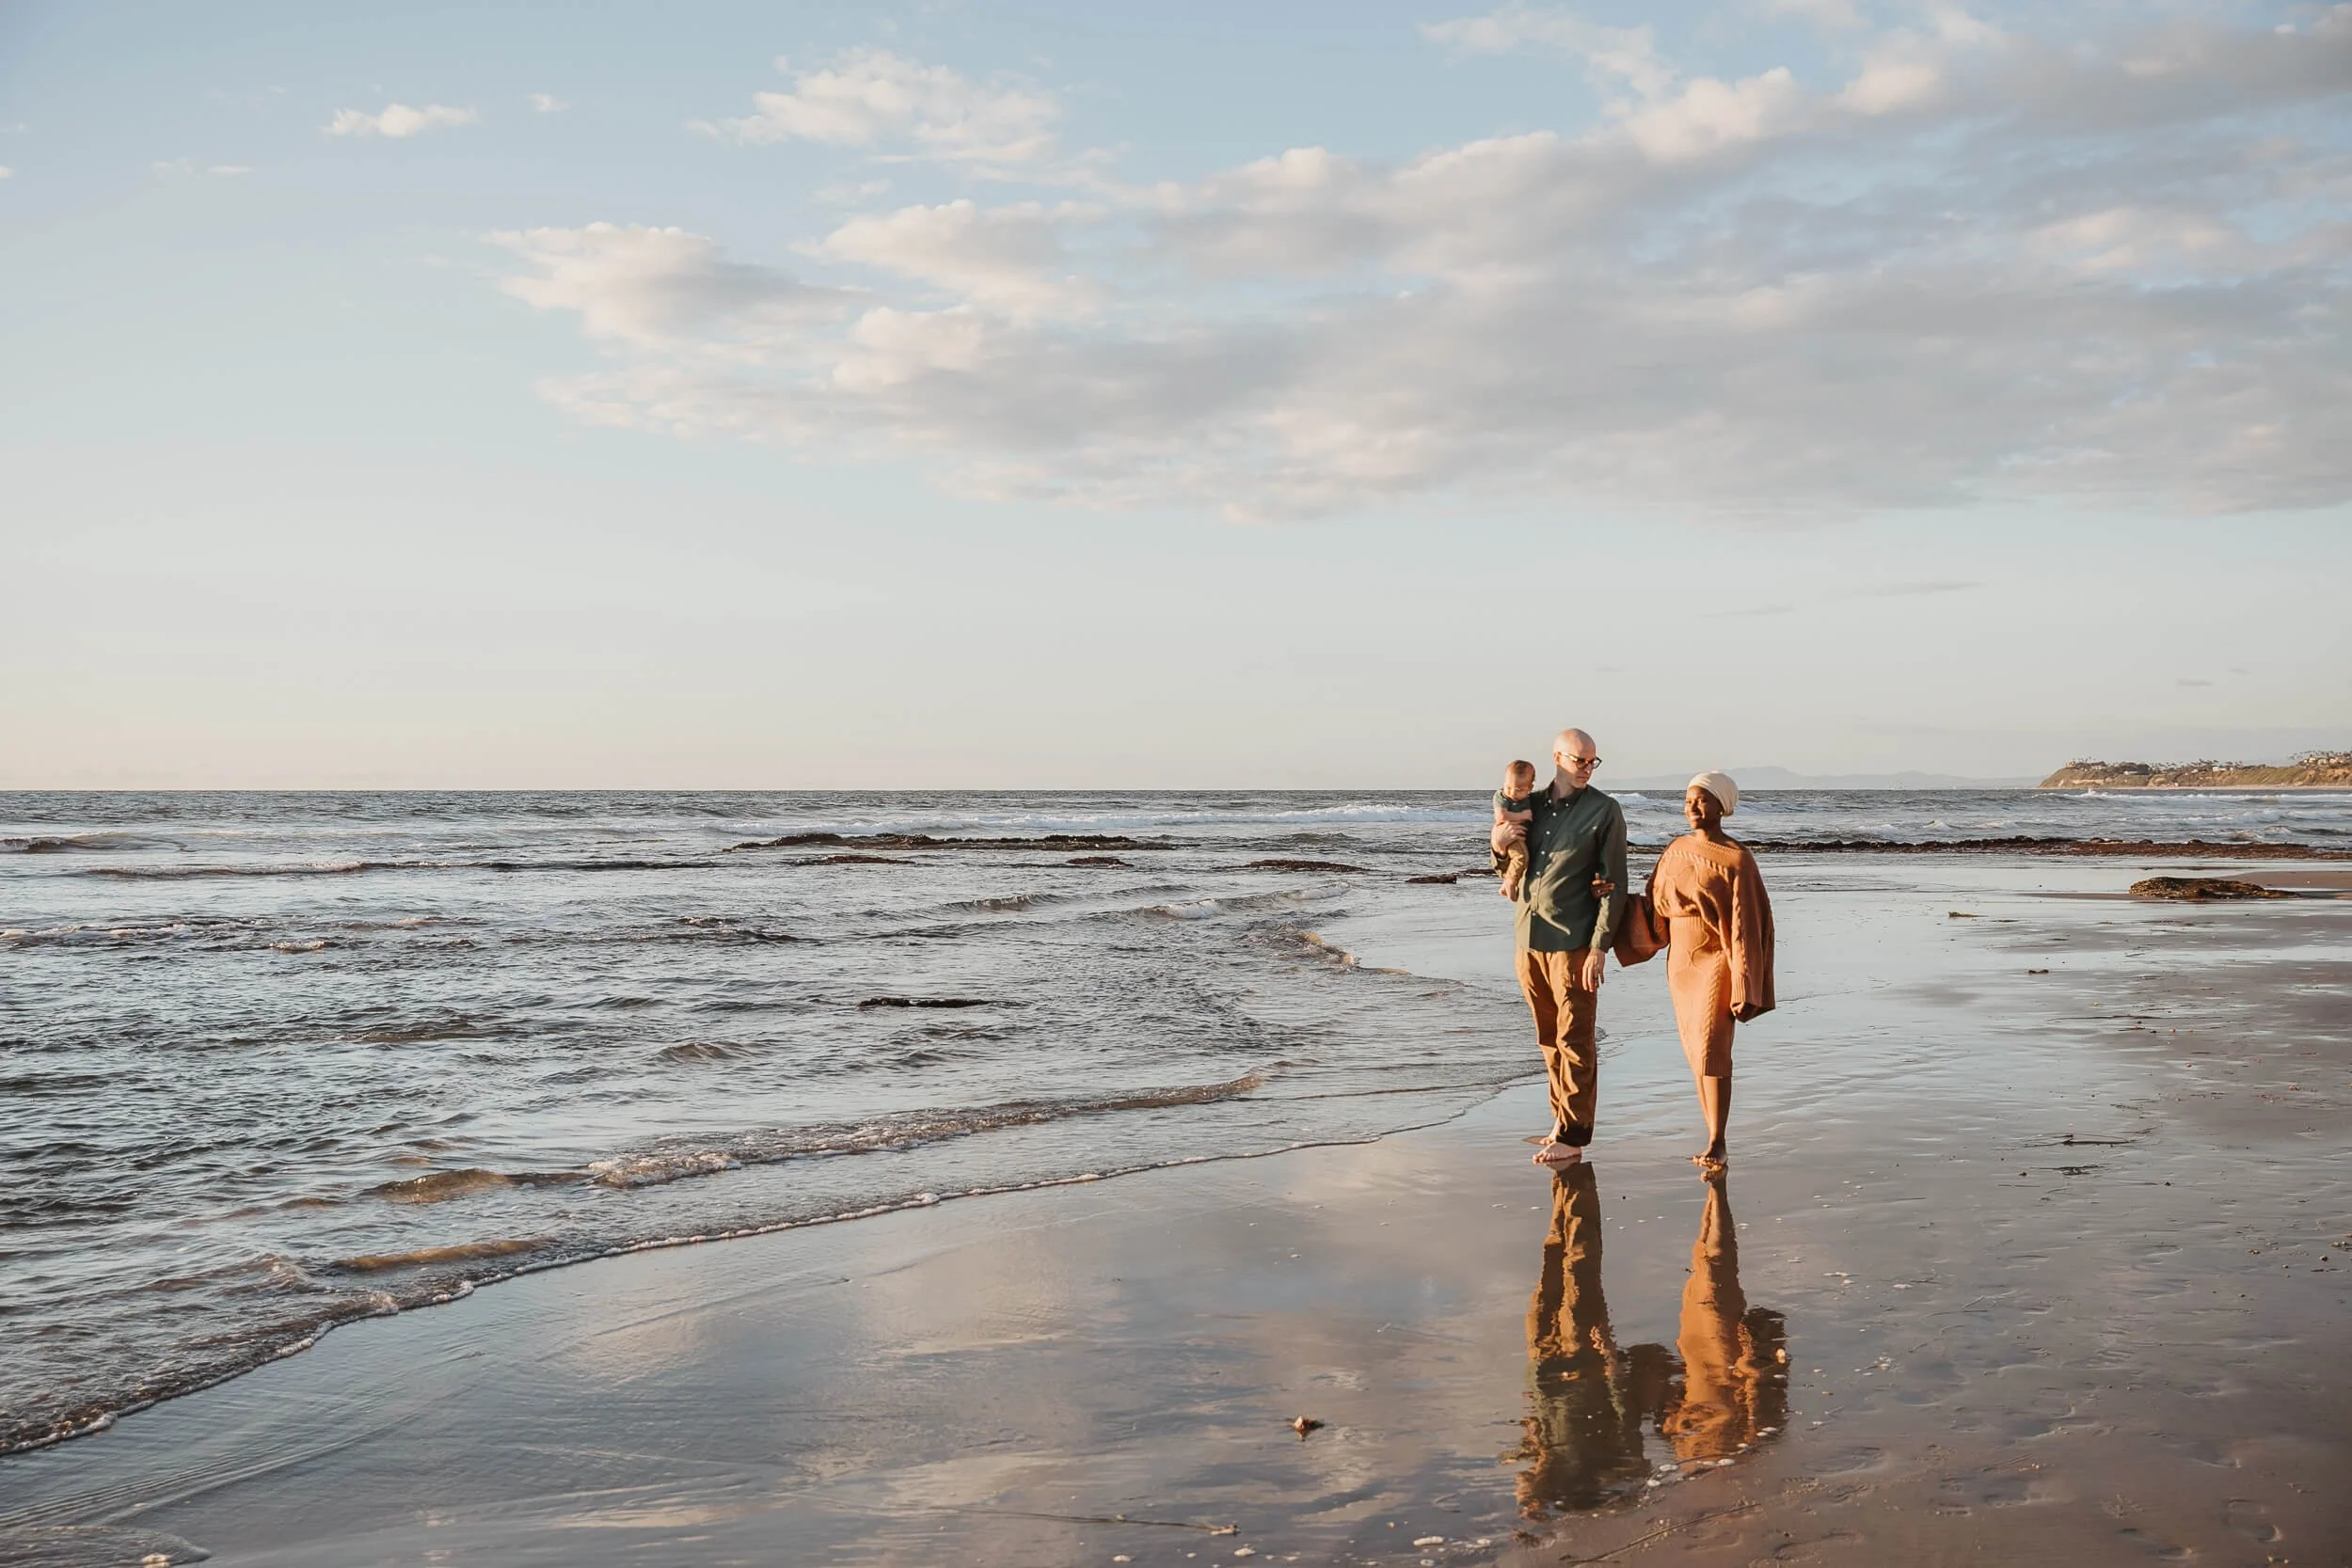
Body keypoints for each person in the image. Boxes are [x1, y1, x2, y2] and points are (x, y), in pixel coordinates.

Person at [1491, 729, 1628, 1167]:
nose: (1587, 768)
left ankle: (1573, 1135)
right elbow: (1512, 859)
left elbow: (1615, 884)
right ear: (1557, 758)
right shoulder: (1529, 804)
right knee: (1549, 1039)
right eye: (1580, 760)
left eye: (1593, 762)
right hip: (1528, 939)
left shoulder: (1604, 811)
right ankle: (1558, 1121)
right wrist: (1496, 848)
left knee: (1575, 1039)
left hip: (1574, 943)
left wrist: (1600, 946)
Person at [1645, 771, 1774, 1174]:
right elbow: (1652, 906)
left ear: (1722, 806)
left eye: (1701, 800)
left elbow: (1747, 926)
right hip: (1681, 962)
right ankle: (1711, 1133)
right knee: (1694, 1051)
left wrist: (1743, 979)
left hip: (1718, 958)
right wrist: (1605, 898)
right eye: (1687, 800)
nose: (1692, 808)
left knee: (1711, 1047)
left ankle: (1718, 1140)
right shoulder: (1675, 850)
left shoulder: (1737, 859)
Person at [1491, 759, 1539, 898]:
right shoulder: (1502, 797)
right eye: (1508, 787)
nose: (1512, 793)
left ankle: (1510, 883)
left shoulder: (1530, 799)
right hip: (1511, 833)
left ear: (1529, 788)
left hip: (1519, 834)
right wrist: (1522, 815)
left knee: (1521, 859)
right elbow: (1501, 816)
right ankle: (1510, 883)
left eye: (1519, 790)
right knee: (1520, 857)